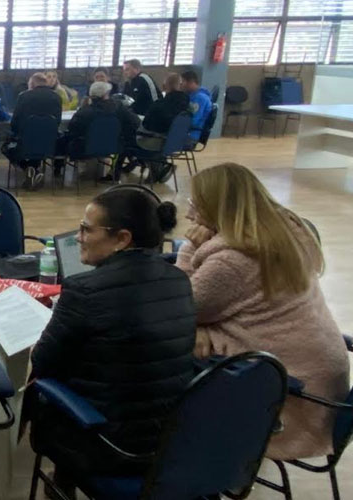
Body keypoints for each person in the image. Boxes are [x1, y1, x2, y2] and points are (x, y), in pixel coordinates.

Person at [177, 163, 350, 461]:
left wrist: (189, 247)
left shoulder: (232, 260)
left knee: (167, 350)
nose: (189, 215)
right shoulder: (286, 232)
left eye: (196, 205)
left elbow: (177, 307)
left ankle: (188, 453)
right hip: (324, 383)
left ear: (219, 208)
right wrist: (200, 325)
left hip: (291, 403)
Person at [30, 187, 195, 494]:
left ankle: (61, 485)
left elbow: (42, 362)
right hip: (171, 442)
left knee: (49, 392)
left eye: (86, 229)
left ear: (122, 238)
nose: (78, 237)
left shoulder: (83, 290)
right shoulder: (179, 280)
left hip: (112, 448)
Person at [65, 82, 140, 180]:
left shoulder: (84, 112)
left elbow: (72, 129)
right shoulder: (119, 108)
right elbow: (135, 122)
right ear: (106, 94)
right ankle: (115, 172)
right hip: (115, 146)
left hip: (85, 148)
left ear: (91, 96)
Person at [9, 72, 62, 189]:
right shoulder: (57, 97)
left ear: (32, 84)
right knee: (40, 145)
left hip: (26, 140)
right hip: (49, 142)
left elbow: (14, 122)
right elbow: (58, 121)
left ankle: (29, 168)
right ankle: (33, 170)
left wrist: (15, 133)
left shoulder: (24, 96)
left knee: (7, 147)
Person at [136, 73, 190, 151]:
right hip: (175, 142)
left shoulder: (158, 105)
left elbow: (147, 125)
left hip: (156, 141)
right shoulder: (186, 104)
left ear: (164, 87)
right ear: (181, 86)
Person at [180, 70, 212, 142]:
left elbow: (194, 121)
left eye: (183, 82)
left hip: (192, 135)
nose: (181, 85)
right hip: (187, 132)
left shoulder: (200, 98)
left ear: (191, 82)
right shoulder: (191, 95)